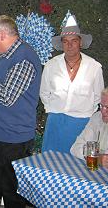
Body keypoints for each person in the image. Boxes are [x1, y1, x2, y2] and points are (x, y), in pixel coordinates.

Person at [0, 15, 41, 208]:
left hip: (13, 141)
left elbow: (7, 97)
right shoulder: (6, 57)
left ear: (2, 34)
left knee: (12, 195)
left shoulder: (24, 59)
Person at [40, 14, 104, 153]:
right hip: (55, 123)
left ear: (80, 43)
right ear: (61, 43)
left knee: (78, 165)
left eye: (74, 41)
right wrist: (53, 109)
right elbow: (44, 93)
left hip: (82, 123)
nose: (69, 45)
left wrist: (85, 111)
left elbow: (99, 96)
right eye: (65, 41)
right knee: (51, 163)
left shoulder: (94, 67)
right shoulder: (51, 65)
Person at [71, 86, 108, 168]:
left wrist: (95, 155)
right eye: (101, 106)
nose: (102, 111)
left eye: (107, 107)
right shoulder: (97, 118)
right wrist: (97, 158)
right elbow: (76, 147)